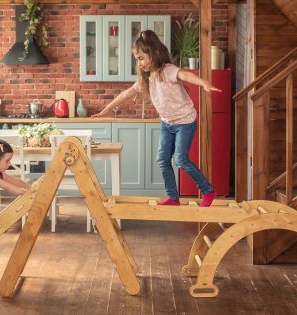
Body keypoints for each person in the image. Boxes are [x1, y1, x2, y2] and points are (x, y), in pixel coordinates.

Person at [93, 30, 220, 207]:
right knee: (162, 159)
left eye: (141, 58)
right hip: (167, 123)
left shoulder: (167, 71)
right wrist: (107, 108)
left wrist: (204, 83)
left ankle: (208, 191)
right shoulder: (147, 78)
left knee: (181, 160)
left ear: (154, 53)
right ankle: (173, 198)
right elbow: (126, 94)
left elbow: (185, 75)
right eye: (137, 59)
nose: (139, 63)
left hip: (185, 122)